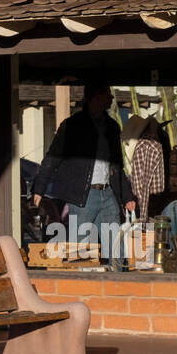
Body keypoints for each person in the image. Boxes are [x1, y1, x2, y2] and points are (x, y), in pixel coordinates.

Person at [32, 81, 136, 270]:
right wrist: (39, 188)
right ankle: (83, 289)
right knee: (81, 251)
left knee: (115, 249)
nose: (112, 99)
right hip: (83, 195)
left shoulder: (112, 127)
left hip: (108, 193)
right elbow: (52, 158)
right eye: (108, 94)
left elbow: (117, 165)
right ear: (95, 98)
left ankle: (119, 286)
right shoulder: (72, 125)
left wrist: (127, 196)